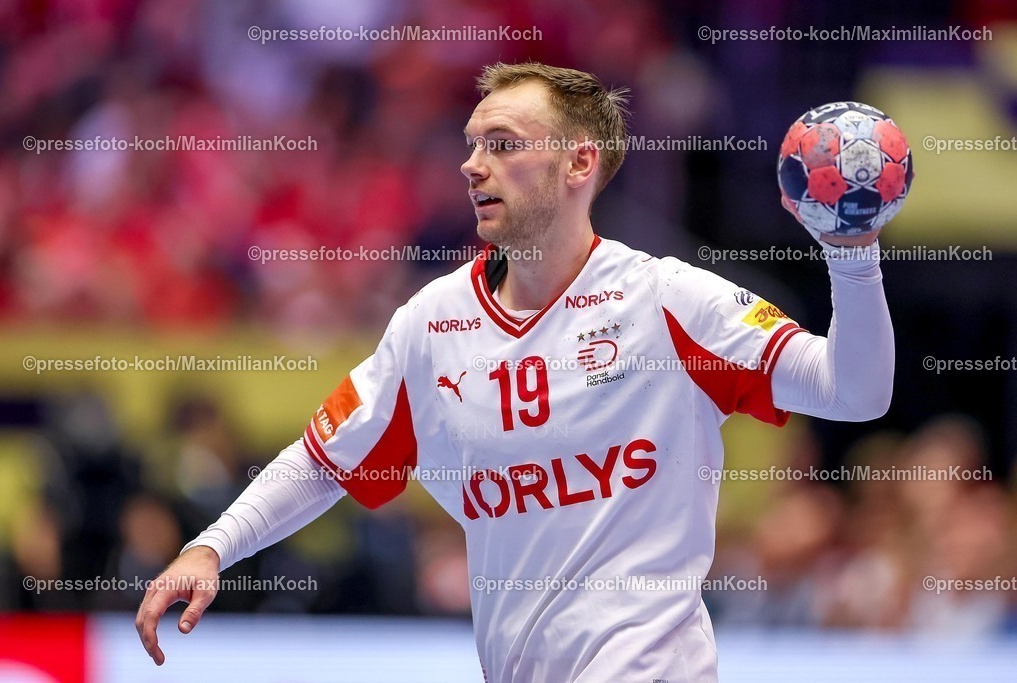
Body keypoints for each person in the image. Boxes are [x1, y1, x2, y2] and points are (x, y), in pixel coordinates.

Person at [136, 62, 894, 682]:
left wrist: (851, 254)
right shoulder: (433, 324)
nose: (472, 164)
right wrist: (212, 545)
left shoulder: (669, 300)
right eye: (471, 144)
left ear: (579, 161)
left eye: (502, 143)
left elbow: (854, 391)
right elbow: (324, 458)